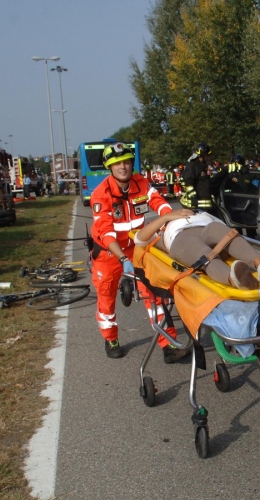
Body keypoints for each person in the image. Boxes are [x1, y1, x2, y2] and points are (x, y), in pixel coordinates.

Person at [89, 142, 188, 362]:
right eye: (117, 164)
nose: (123, 167)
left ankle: (168, 343)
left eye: (126, 162)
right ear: (110, 167)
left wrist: (170, 218)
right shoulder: (101, 195)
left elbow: (158, 202)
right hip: (109, 253)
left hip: (138, 247)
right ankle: (111, 338)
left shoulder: (140, 183)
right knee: (106, 297)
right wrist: (123, 258)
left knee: (154, 293)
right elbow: (106, 233)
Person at [134, 209, 260, 289]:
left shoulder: (202, 214)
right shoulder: (162, 227)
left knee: (223, 232)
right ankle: (234, 278)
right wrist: (166, 217)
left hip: (206, 228)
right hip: (180, 237)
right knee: (202, 253)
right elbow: (139, 239)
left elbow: (224, 227)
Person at [180, 142, 215, 212]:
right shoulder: (192, 165)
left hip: (204, 204)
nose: (208, 157)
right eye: (207, 155)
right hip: (196, 204)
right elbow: (188, 183)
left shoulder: (202, 166)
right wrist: (193, 198)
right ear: (202, 155)